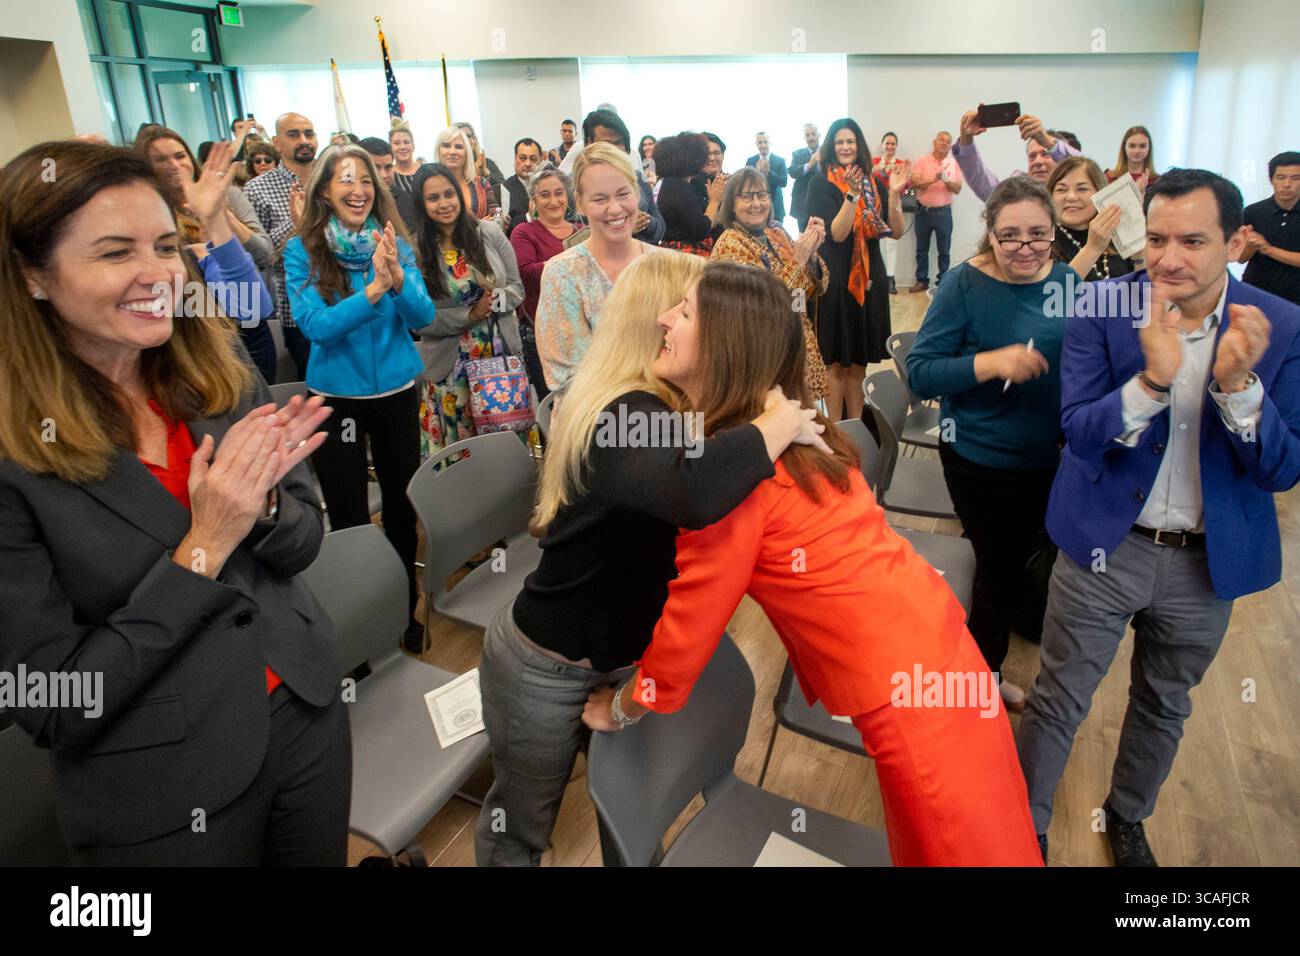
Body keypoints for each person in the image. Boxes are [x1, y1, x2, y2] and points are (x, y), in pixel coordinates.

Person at [581, 263, 1042, 868]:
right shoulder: (797, 427)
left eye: (685, 311)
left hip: (912, 695)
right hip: (938, 650)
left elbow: (690, 625)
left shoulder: (737, 475)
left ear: (727, 349)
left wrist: (624, 706)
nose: (664, 319)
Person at [0, 140, 348, 864]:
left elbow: (305, 537)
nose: (157, 273)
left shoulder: (217, 377)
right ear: (34, 275)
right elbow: (52, 703)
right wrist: (204, 546)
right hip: (166, 784)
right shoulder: (15, 456)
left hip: (305, 715)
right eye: (115, 252)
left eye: (165, 244)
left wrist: (263, 509)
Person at [474, 252, 831, 866]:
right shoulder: (626, 412)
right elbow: (694, 493)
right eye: (688, 307)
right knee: (521, 828)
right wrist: (775, 425)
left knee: (631, 810)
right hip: (547, 666)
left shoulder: (668, 409)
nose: (676, 318)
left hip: (622, 655)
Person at [1017, 168, 1300, 866]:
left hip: (1206, 563)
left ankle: (1127, 817)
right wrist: (1150, 381)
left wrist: (1238, 390)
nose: (1169, 258)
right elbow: (1080, 432)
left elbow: (1283, 469)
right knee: (1058, 698)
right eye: (1160, 238)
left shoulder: (1281, 325)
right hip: (1103, 549)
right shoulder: (1102, 306)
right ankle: (1022, 828)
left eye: (1194, 241)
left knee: (1165, 704)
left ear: (1235, 241)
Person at [907, 176, 1074, 713]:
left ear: (1055, 232)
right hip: (981, 458)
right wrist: (990, 362)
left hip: (1050, 456)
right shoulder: (963, 285)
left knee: (1021, 563)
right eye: (1010, 237)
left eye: (1038, 236)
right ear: (990, 234)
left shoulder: (1068, 282)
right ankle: (980, 683)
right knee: (998, 573)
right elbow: (921, 374)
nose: (1024, 249)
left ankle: (988, 659)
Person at [282, 144, 433, 650]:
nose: (358, 189)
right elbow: (316, 327)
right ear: (325, 189)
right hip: (336, 401)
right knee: (347, 517)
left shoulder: (392, 241)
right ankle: (359, 625)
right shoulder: (301, 249)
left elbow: (423, 317)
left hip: (396, 394)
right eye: (345, 179)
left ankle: (401, 608)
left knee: (399, 509)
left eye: (365, 179)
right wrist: (371, 292)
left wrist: (395, 280)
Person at [136, 126, 278, 383]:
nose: (174, 165)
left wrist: (219, 219)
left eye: (179, 156)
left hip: (248, 335)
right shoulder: (147, 218)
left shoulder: (227, 196)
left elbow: (260, 275)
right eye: (160, 159)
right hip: (193, 340)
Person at [411, 162, 525, 457]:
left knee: (502, 454)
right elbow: (419, 322)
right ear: (422, 205)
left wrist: (492, 304)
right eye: (433, 198)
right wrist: (469, 316)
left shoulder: (488, 233)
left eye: (449, 194)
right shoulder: (417, 251)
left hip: (498, 361)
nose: (444, 203)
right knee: (462, 456)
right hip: (451, 371)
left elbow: (516, 288)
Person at [806, 117, 907, 420]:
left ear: (858, 145)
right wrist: (851, 195)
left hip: (868, 279)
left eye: (850, 141)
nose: (846, 146)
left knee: (859, 363)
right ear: (831, 146)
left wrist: (893, 195)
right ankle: (837, 433)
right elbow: (838, 234)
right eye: (839, 142)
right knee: (836, 362)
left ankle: (856, 428)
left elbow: (897, 231)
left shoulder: (873, 182)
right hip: (836, 279)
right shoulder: (820, 183)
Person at [535, 143, 654, 392]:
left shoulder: (665, 265)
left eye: (623, 194)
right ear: (579, 203)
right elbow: (568, 377)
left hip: (669, 418)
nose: (615, 208)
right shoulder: (563, 274)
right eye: (600, 199)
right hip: (597, 420)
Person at [711, 167, 830, 401]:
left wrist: (811, 255)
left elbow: (812, 289)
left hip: (794, 349)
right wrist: (798, 259)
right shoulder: (730, 244)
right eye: (747, 196)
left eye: (762, 195)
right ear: (731, 204)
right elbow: (765, 305)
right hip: (765, 359)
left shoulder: (771, 237)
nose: (757, 203)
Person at [243, 111, 319, 378]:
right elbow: (262, 257)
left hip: (347, 301)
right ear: (277, 143)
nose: (304, 140)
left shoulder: (333, 178)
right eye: (294, 134)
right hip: (298, 308)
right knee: (318, 390)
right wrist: (297, 223)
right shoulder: (257, 189)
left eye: (309, 133)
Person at [511, 163, 581, 400]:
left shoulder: (583, 230)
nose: (554, 201)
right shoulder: (524, 231)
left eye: (559, 193)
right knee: (553, 405)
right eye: (545, 195)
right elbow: (527, 272)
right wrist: (571, 260)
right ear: (533, 201)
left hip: (582, 332)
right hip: (541, 333)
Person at [559, 109, 665, 244]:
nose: (614, 150)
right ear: (589, 142)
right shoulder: (575, 185)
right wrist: (620, 228)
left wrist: (646, 223)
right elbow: (563, 232)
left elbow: (660, 227)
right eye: (607, 143)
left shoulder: (637, 178)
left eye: (619, 142)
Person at [952, 107, 1081, 202]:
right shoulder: (1016, 192)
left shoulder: (1079, 194)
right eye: (1032, 156)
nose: (1037, 161)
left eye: (1046, 154)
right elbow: (980, 179)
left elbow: (1081, 168)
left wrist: (1048, 141)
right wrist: (966, 139)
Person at [1047, 156, 1132, 281]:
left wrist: (1139, 257)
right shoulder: (1043, 243)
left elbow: (1143, 292)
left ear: (1100, 192)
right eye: (1061, 189)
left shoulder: (1116, 234)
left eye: (1082, 189)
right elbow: (1052, 295)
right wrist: (1093, 248)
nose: (1071, 197)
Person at [1239, 150, 1300, 306]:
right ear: (1271, 179)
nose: (1287, 184)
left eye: (1295, 178)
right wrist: (1250, 246)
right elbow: (1240, 258)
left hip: (1295, 301)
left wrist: (1268, 249)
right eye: (1281, 177)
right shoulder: (1253, 211)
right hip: (1252, 295)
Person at [654, 132, 726, 258]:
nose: (708, 159)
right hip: (685, 257)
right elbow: (701, 230)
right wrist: (714, 201)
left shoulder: (671, 184)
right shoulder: (678, 187)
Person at [908, 131, 962, 292]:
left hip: (944, 214)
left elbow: (957, 189)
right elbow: (915, 183)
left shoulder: (952, 164)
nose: (944, 143)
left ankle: (942, 283)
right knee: (921, 250)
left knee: (944, 251)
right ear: (934, 142)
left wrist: (945, 179)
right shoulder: (922, 162)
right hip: (923, 213)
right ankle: (921, 280)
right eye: (941, 140)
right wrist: (934, 179)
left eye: (948, 141)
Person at [435, 125, 500, 221]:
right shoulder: (430, 186)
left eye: (458, 147)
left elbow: (496, 216)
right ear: (438, 150)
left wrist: (496, 220)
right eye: (446, 146)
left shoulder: (481, 183)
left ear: (466, 152)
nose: (452, 151)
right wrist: (479, 224)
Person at [360, 134, 418, 232]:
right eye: (375, 168)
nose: (383, 175)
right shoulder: (351, 204)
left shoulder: (402, 199)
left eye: (388, 167)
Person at [873, 132, 906, 294]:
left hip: (893, 207)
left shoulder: (900, 164)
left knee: (891, 243)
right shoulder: (873, 163)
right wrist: (878, 170)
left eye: (893, 144)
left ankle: (890, 278)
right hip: (876, 207)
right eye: (887, 143)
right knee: (876, 242)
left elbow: (906, 187)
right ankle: (879, 278)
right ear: (882, 145)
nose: (890, 146)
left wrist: (899, 174)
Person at [502, 137, 544, 236]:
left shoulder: (549, 184)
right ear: (515, 158)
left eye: (533, 159)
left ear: (541, 160)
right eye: (522, 158)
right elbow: (504, 228)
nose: (528, 163)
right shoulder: (503, 189)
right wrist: (529, 217)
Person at [746, 132, 789, 224]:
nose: (763, 145)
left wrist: (768, 172)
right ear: (756, 144)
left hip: (776, 205)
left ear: (770, 143)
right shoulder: (751, 161)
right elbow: (746, 183)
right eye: (760, 142)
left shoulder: (780, 160)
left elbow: (784, 182)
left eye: (765, 142)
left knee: (777, 235)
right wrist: (756, 173)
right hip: (756, 206)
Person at [456, 121, 506, 190]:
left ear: (474, 141)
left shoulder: (487, 163)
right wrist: (473, 175)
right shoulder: (453, 168)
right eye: (461, 137)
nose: (466, 140)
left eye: (468, 136)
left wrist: (486, 172)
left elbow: (504, 190)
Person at [1106, 125, 1159, 190]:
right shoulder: (1108, 178)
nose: (1137, 151)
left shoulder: (1158, 181)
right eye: (1132, 146)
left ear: (1149, 148)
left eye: (1142, 146)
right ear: (1124, 147)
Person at [791, 123, 822, 232]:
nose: (811, 138)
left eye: (813, 134)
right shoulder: (797, 154)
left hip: (824, 204)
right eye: (807, 135)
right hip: (802, 207)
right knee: (804, 240)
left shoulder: (828, 152)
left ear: (819, 135)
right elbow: (792, 172)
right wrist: (809, 165)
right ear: (804, 137)